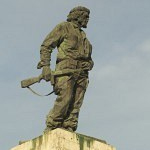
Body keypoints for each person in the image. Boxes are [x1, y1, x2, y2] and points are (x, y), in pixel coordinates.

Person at [37, 6, 94, 132]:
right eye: (85, 16)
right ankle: (52, 127)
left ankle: (69, 126)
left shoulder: (84, 37)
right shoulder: (64, 27)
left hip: (82, 74)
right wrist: (46, 66)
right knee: (65, 98)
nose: (87, 19)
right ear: (77, 16)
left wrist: (89, 64)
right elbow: (46, 46)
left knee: (76, 103)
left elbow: (89, 59)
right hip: (66, 70)